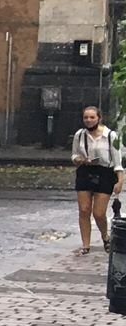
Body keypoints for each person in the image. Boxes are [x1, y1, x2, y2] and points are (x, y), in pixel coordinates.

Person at [71, 105, 121, 255]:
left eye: (92, 117)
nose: (88, 120)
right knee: (84, 210)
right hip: (85, 171)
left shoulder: (110, 136)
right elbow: (73, 156)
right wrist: (79, 159)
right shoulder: (80, 135)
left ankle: (105, 237)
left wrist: (120, 181)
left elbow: (117, 162)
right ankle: (85, 245)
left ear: (99, 118)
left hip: (105, 173)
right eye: (86, 117)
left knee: (99, 213)